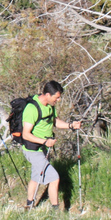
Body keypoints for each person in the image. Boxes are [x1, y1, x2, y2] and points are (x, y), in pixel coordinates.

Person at [21, 80, 81, 210]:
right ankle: (56, 212)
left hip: (43, 149)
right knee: (54, 178)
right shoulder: (31, 109)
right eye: (57, 97)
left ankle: (29, 206)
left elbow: (55, 121)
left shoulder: (50, 106)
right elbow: (25, 134)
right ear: (47, 95)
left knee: (36, 177)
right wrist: (44, 141)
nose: (58, 100)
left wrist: (71, 125)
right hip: (32, 149)